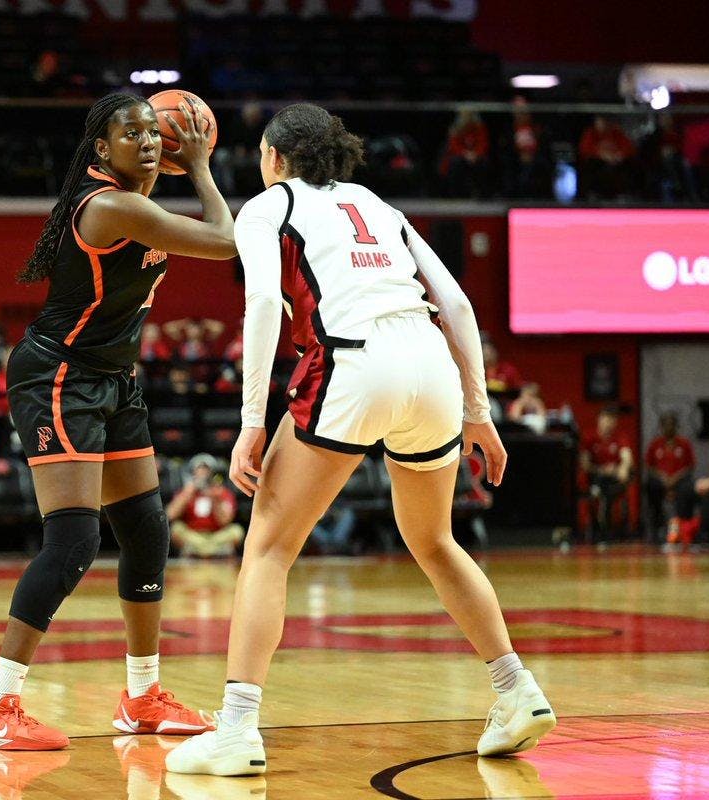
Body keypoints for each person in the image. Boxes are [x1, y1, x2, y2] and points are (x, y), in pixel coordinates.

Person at [166, 103, 555, 777]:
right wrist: (478, 410)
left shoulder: (268, 206)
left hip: (352, 361)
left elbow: (262, 305)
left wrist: (251, 421)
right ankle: (515, 687)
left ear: (274, 158)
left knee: (267, 548)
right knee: (435, 541)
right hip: (429, 365)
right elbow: (457, 305)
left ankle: (235, 729)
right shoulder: (377, 204)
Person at [0, 92, 236, 750]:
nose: (148, 140)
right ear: (102, 148)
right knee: (73, 542)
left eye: (153, 131)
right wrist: (201, 167)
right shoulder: (113, 206)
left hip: (113, 377)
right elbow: (225, 242)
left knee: (145, 530)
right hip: (58, 375)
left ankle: (142, 697)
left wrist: (173, 164)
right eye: (132, 133)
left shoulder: (136, 200)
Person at [167, 454, 243, 558]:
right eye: (199, 469)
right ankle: (210, 551)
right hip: (193, 536)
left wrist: (214, 498)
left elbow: (225, 521)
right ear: (192, 473)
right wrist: (187, 493)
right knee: (176, 529)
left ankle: (204, 551)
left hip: (216, 536)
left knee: (236, 531)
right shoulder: (186, 492)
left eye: (206, 470)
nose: (203, 473)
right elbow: (170, 515)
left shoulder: (222, 493)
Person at [580, 406, 633, 544]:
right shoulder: (589, 437)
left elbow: (627, 458)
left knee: (610, 491)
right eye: (605, 419)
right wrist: (602, 470)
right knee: (599, 489)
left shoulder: (620, 437)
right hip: (596, 477)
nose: (608, 423)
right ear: (599, 420)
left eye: (611, 420)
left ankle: (607, 530)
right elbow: (585, 464)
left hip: (614, 479)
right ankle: (598, 529)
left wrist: (622, 468)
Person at [643, 412, 696, 542]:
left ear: (676, 426)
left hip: (679, 480)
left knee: (688, 488)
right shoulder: (655, 444)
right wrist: (662, 477)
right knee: (650, 485)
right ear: (661, 427)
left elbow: (690, 466)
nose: (669, 428)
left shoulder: (684, 444)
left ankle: (684, 529)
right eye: (665, 425)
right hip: (660, 481)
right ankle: (655, 529)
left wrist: (675, 478)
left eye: (671, 425)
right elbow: (649, 466)